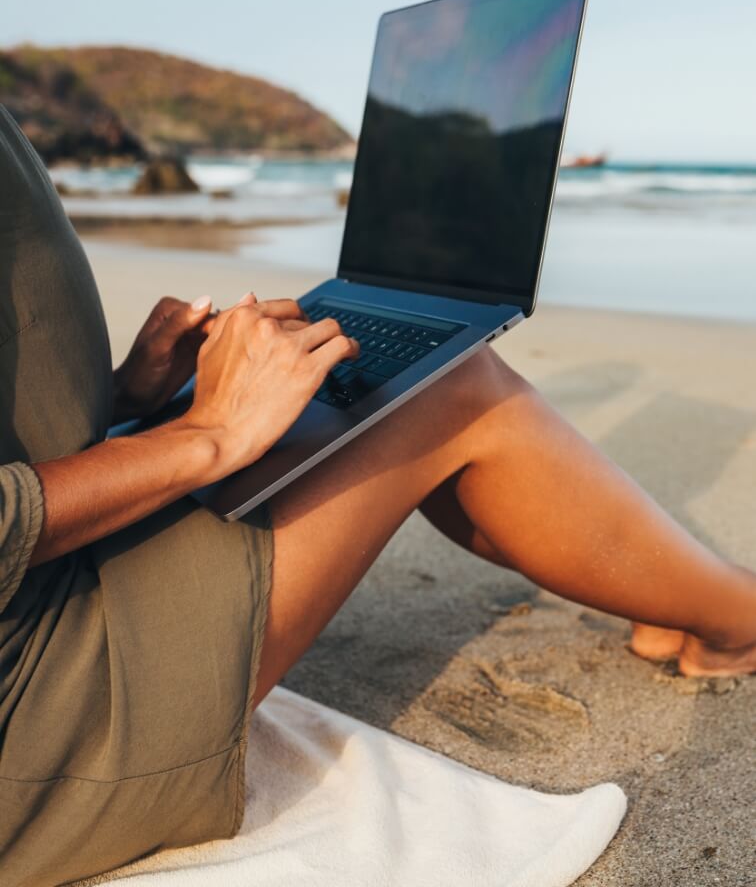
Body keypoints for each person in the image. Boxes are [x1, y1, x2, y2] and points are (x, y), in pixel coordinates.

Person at [1, 103, 754, 886]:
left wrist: (126, 394)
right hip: (36, 715)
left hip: (45, 575)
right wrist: (206, 436)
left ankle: (680, 601)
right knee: (453, 387)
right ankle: (735, 620)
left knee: (371, 380)